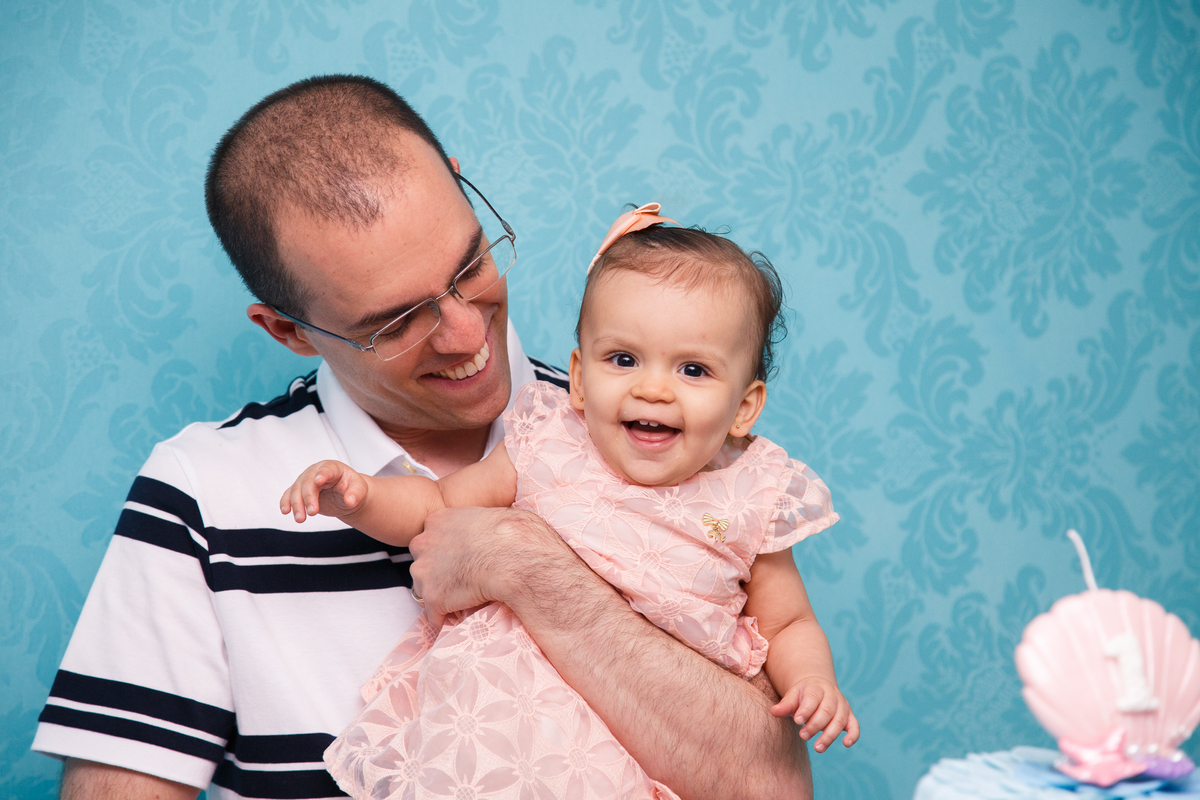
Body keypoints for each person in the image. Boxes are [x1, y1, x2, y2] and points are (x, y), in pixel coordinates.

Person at [31, 76, 814, 799]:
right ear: (288, 331)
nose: (469, 333)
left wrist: (528, 570)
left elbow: (776, 788)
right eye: (397, 323)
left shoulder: (651, 444)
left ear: (459, 180)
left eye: (471, 263)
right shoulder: (200, 492)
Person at [282, 206, 859, 799]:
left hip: (653, 743)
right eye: (624, 360)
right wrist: (361, 497)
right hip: (504, 721)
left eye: (693, 369)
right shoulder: (549, 442)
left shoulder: (753, 494)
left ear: (744, 407)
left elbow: (788, 621)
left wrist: (813, 681)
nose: (653, 388)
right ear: (579, 379)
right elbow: (434, 505)